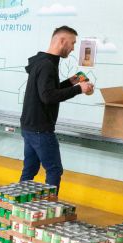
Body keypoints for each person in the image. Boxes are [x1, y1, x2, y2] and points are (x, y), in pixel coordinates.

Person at [20, 25, 93, 190]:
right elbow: (48, 97)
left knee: (30, 169)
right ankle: (49, 212)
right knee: (54, 170)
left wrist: (71, 81)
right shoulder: (47, 65)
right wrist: (78, 89)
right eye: (72, 43)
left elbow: (46, 90)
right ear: (62, 41)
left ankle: (19, 205)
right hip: (41, 129)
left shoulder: (42, 62)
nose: (73, 48)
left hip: (30, 126)